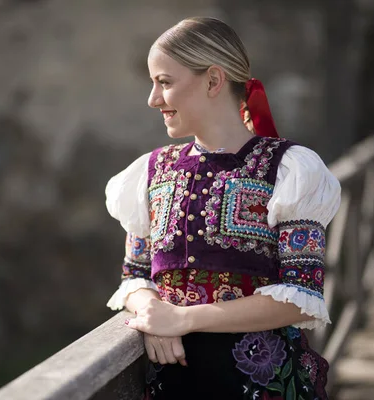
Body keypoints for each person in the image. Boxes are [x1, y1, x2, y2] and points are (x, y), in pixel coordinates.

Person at [104, 17, 341, 400]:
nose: (153, 99)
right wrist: (152, 314)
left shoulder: (290, 169)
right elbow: (135, 275)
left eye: (164, 82)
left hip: (265, 386)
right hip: (175, 386)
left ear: (214, 81)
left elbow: (302, 292)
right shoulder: (148, 173)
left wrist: (181, 318)